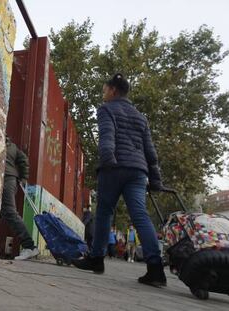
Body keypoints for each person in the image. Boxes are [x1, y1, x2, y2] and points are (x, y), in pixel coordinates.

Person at [72, 73, 167, 287]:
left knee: (104, 212)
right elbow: (150, 152)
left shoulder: (106, 109)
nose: (103, 94)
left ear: (113, 90)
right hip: (138, 171)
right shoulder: (140, 117)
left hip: (114, 167)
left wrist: (107, 161)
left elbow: (107, 137)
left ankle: (96, 259)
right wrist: (156, 179)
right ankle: (156, 269)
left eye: (105, 90)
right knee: (140, 215)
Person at [1, 136, 39, 260]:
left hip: (7, 178)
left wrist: (23, 179)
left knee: (10, 212)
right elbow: (24, 160)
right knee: (3, 212)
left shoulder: (11, 146)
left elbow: (24, 160)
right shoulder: (11, 146)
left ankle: (30, 247)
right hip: (4, 178)